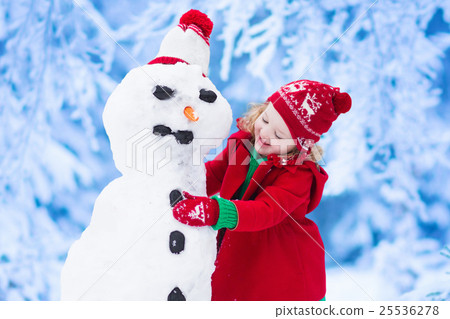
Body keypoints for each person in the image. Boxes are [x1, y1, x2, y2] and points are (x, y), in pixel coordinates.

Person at [172, 79, 352, 301]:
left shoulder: (299, 175)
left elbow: (267, 210)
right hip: (239, 241)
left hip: (276, 258)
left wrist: (216, 211)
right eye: (265, 120)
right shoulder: (244, 144)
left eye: (279, 135)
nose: (265, 133)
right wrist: (181, 184)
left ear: (299, 145)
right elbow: (216, 174)